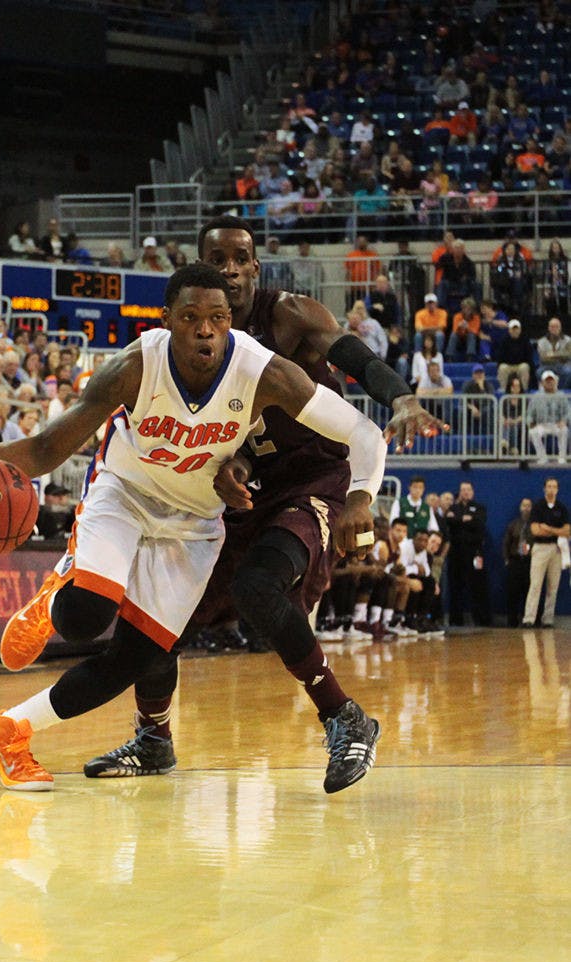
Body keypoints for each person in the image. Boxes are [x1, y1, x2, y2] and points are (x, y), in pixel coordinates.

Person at [0, 263, 389, 795]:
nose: (206, 330)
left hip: (194, 523)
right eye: (192, 318)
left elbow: (364, 434)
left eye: (218, 318)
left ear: (231, 323)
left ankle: (9, 732)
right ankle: (56, 588)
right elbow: (45, 449)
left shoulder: (265, 372)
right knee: (86, 618)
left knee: (141, 657)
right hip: (124, 494)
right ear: (168, 321)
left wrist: (361, 497)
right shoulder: (134, 366)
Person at [81, 216, 441, 789]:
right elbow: (231, 441)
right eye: (216, 258)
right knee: (159, 617)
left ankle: (343, 717)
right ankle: (154, 737)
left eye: (240, 258)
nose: (229, 268)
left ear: (254, 267)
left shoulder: (288, 316)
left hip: (314, 479)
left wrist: (399, 399)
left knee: (257, 586)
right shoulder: (189, 345)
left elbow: (352, 356)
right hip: (240, 488)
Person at [522, 478, 570, 628]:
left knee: (552, 586)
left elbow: (567, 531)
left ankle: (547, 619)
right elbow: (535, 530)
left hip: (556, 549)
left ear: (557, 489)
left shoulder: (561, 508)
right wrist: (557, 531)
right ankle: (529, 619)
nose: (551, 489)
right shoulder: (538, 506)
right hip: (540, 548)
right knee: (535, 584)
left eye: (554, 487)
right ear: (544, 489)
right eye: (549, 486)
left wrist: (548, 529)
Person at [446, 481, 492, 627]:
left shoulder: (479, 508)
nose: (465, 492)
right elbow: (450, 523)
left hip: (474, 553)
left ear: (472, 492)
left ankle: (481, 620)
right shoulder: (453, 508)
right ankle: (455, 620)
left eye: (468, 489)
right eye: (463, 490)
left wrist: (460, 520)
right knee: (455, 587)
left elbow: (479, 524)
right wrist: (464, 520)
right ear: (459, 492)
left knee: (478, 586)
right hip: (456, 553)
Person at [527, 370, 570, 464]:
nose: (549, 383)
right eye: (547, 381)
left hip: (556, 424)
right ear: (542, 383)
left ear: (555, 381)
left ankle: (562, 458)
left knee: (564, 430)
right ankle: (542, 457)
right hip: (541, 424)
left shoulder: (561, 395)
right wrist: (530, 422)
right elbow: (530, 413)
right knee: (533, 432)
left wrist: (564, 420)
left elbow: (568, 411)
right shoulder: (536, 396)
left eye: (551, 380)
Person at [503, 498, 532, 627]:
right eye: (524, 505)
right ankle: (512, 621)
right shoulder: (513, 524)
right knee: (512, 593)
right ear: (520, 508)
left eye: (529, 506)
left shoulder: (535, 526)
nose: (526, 508)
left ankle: (529, 620)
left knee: (529, 592)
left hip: (529, 562)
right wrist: (507, 560)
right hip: (515, 561)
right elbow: (506, 543)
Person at [495, 318, 535, 391]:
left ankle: (524, 391)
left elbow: (529, 357)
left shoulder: (525, 340)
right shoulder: (504, 341)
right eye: (513, 329)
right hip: (508, 365)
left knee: (525, 367)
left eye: (517, 329)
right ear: (509, 330)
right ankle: (503, 391)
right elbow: (500, 357)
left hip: (520, 365)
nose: (515, 331)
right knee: (502, 368)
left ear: (520, 330)